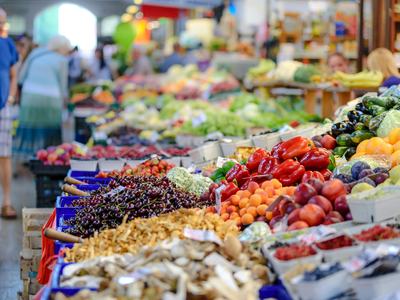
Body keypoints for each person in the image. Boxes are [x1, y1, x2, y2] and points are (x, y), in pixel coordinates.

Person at [13, 35, 70, 162]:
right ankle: (49, 158)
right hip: (51, 99)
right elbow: (63, 85)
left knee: (30, 128)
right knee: (50, 130)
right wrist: (65, 104)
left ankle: (27, 158)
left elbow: (21, 77)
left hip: (29, 96)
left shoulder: (35, 53)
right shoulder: (62, 60)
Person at [0, 7, 18, 218]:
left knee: (4, 155)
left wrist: (11, 97)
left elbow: (13, 74)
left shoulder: (7, 44)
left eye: (3, 23)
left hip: (4, 105)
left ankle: (6, 202)